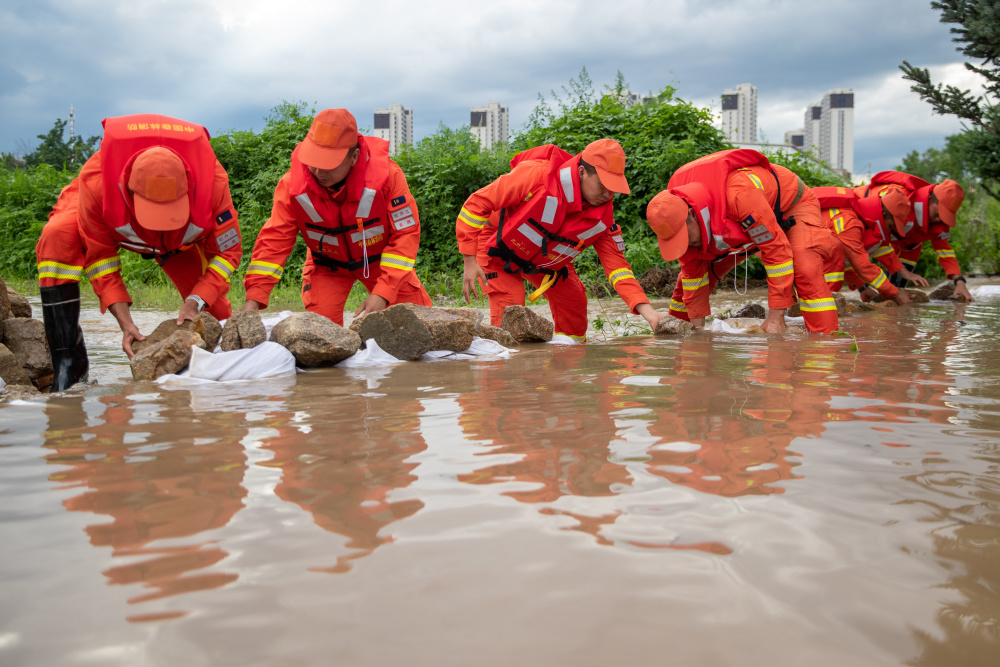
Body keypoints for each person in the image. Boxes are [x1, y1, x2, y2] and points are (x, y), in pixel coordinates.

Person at [35, 114, 243, 390]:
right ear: (128, 190)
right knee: (57, 235)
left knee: (214, 315)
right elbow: (100, 259)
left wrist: (197, 300)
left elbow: (228, 254)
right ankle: (69, 367)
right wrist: (125, 323)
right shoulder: (97, 183)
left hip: (176, 244)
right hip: (106, 209)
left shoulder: (213, 183)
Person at [457, 139, 661, 341]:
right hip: (496, 247)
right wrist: (469, 258)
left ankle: (565, 365)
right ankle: (503, 367)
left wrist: (651, 315)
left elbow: (619, 269)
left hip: (543, 259)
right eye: (602, 185)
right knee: (511, 313)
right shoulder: (535, 175)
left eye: (613, 187)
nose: (608, 194)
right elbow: (476, 203)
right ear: (582, 172)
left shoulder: (602, 221)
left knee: (574, 303)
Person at [242, 109, 431, 325]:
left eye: (328, 163)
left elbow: (406, 235)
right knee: (321, 335)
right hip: (327, 267)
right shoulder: (292, 186)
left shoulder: (389, 177)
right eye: (313, 161)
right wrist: (253, 299)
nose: (318, 171)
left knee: (421, 324)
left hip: (380, 264)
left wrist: (383, 292)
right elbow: (274, 242)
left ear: (354, 157)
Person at [647, 149, 842, 334]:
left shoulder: (739, 195)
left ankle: (824, 345)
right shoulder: (681, 221)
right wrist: (696, 334)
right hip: (745, 221)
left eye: (684, 237)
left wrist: (775, 317)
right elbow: (694, 280)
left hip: (791, 206)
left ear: (691, 215)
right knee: (684, 286)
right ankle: (675, 340)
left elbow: (776, 251)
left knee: (805, 270)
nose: (685, 244)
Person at [856, 172, 973, 302]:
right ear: (931, 199)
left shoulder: (938, 221)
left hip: (905, 246)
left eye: (947, 215)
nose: (940, 218)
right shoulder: (898, 198)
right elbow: (855, 249)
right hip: (863, 227)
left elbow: (944, 250)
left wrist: (959, 281)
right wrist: (862, 286)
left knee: (897, 298)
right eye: (940, 212)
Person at [813, 185, 924, 305]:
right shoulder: (850, 223)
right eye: (891, 225)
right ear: (884, 214)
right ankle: (819, 305)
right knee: (835, 251)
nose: (889, 230)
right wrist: (894, 293)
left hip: (803, 253)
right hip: (800, 257)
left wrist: (862, 287)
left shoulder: (858, 217)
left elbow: (845, 261)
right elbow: (862, 265)